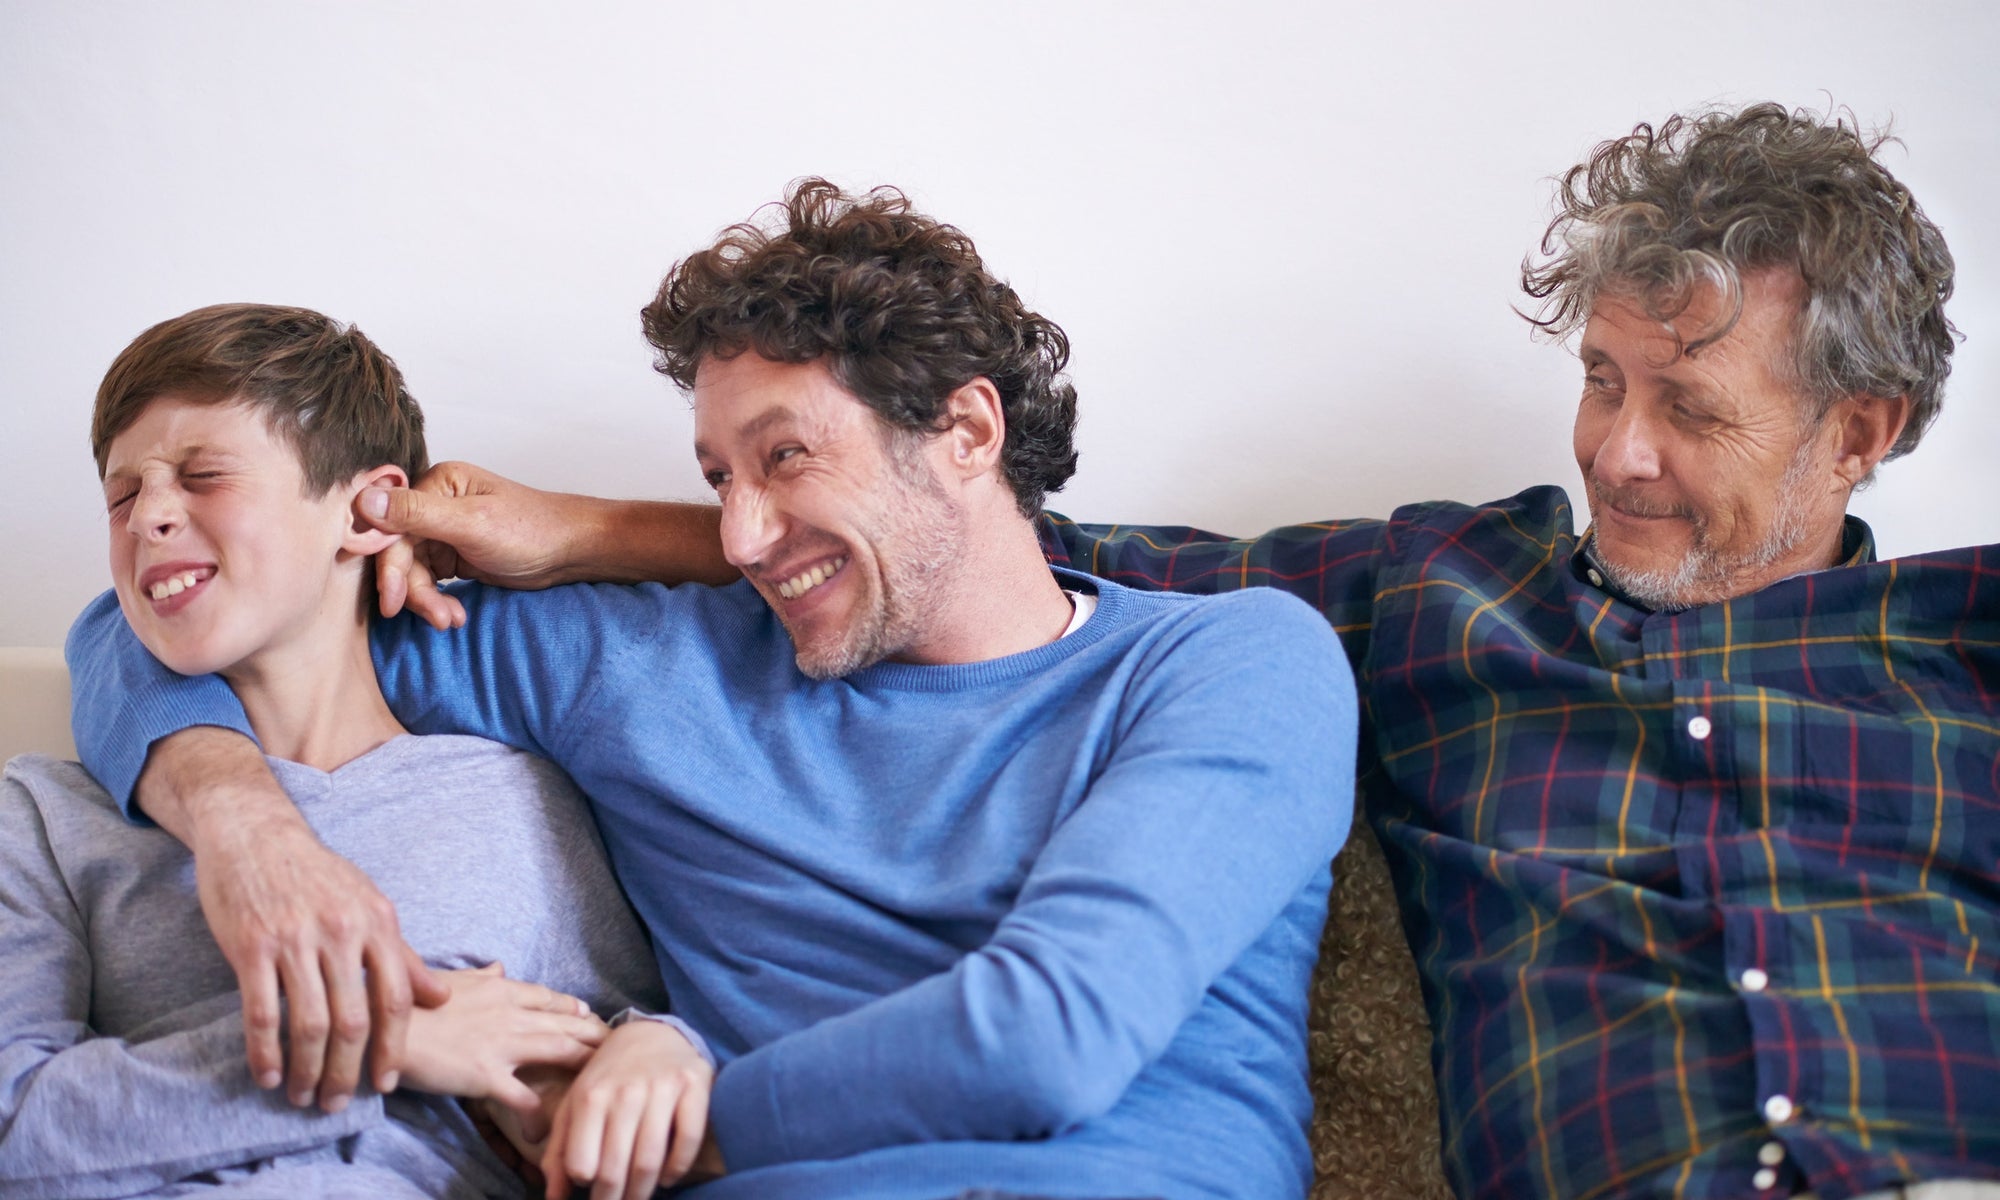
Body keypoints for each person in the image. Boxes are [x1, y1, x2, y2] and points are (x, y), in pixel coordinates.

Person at [64, 184, 1359, 1200]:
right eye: (714, 478)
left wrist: (684, 1080)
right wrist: (248, 836)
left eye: (784, 457)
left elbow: (1049, 1034)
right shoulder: (639, 663)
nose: (741, 536)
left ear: (967, 432)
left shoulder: (1226, 661)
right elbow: (185, 621)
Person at [1035, 105, 1997, 1198]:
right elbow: (1024, 571)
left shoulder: (1965, 650)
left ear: (1856, 434)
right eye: (1600, 380)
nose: (1615, 453)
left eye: (1686, 406)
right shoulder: (1443, 589)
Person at [0, 304, 702, 1197]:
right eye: (122, 494)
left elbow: (605, 1048)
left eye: (204, 474)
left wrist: (665, 1045)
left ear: (369, 513)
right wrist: (383, 1042)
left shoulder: (522, 799)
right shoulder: (46, 819)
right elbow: (14, 1126)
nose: (149, 519)